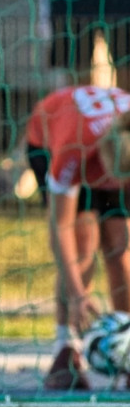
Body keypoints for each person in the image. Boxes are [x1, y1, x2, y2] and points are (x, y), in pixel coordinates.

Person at [23, 85, 130, 390]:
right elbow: (60, 227)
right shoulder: (74, 148)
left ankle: (127, 348)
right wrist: (78, 294)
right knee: (82, 245)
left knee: (120, 244)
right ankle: (65, 351)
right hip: (48, 136)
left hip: (104, 142)